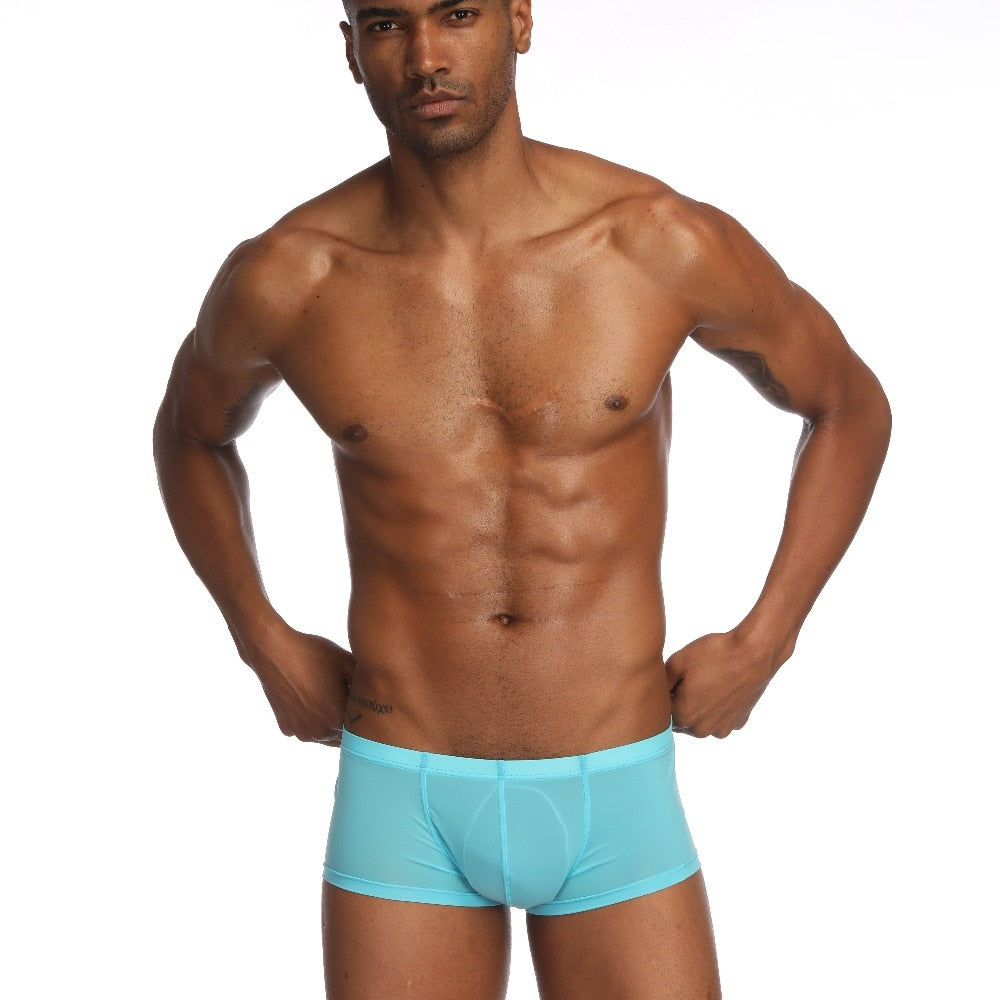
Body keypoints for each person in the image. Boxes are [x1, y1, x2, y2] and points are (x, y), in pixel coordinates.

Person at [153, 2, 891, 997]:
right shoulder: (292, 275)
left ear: (519, 20)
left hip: (613, 780)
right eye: (387, 24)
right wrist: (261, 638)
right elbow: (190, 434)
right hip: (404, 788)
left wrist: (767, 638)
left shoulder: (655, 243)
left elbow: (847, 405)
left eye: (457, 14)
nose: (425, 57)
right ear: (351, 49)